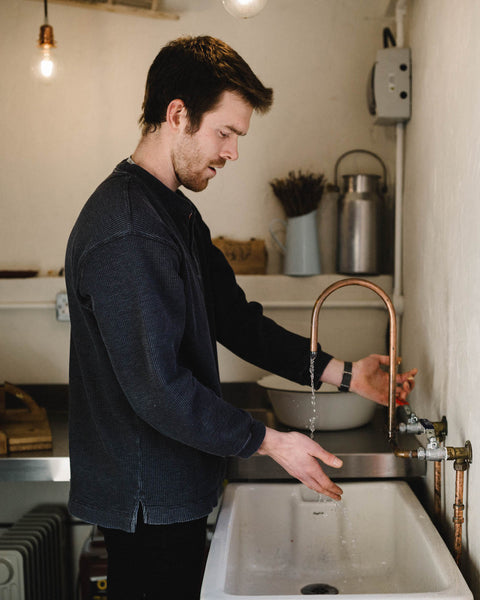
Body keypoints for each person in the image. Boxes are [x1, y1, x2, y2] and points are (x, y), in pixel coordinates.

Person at [65, 35, 416, 600]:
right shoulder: (128, 230)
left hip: (172, 486)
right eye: (224, 133)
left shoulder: (173, 214)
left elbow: (238, 322)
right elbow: (160, 390)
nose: (232, 152)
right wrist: (272, 442)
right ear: (177, 114)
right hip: (146, 498)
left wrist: (347, 375)